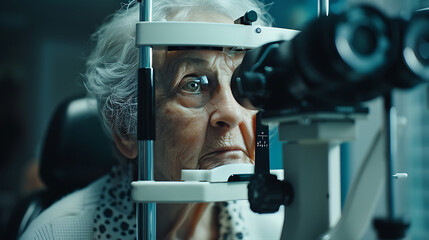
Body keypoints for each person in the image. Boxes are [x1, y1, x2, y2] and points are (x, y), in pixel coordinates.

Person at [19, 0, 284, 239]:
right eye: (194, 84)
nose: (233, 112)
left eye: (245, 85)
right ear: (126, 128)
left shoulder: (278, 226)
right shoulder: (55, 233)